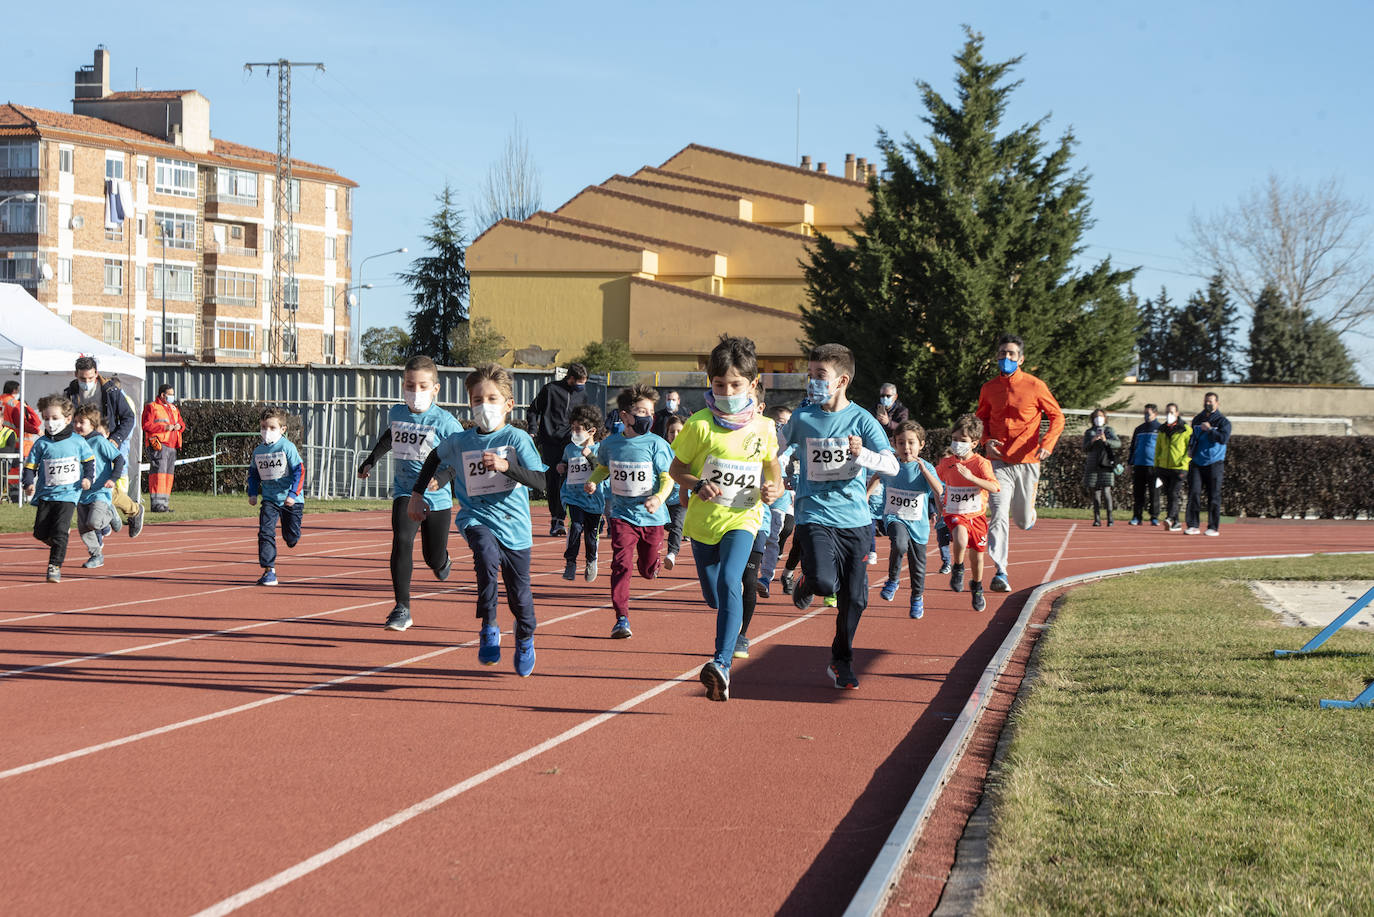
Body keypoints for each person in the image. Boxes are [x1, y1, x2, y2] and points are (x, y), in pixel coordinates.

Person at [414, 363, 547, 677]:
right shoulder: (462, 441)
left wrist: (505, 466)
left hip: (514, 525)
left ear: (508, 404)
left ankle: (525, 635)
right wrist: (417, 494)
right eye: (477, 400)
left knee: (520, 595)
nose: (483, 406)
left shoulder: (517, 439)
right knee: (485, 556)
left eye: (491, 399)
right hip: (476, 516)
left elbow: (541, 483)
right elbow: (434, 457)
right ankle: (489, 626)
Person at [669, 336, 781, 701]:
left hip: (743, 518)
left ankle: (721, 663)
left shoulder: (764, 427)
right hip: (703, 525)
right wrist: (697, 484)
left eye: (735, 385)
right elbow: (676, 469)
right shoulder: (700, 425)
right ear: (710, 384)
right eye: (720, 385)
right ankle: (726, 633)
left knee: (734, 579)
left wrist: (774, 488)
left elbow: (772, 468)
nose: (727, 391)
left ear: (752, 384)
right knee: (716, 595)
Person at [785, 343, 898, 690]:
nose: (812, 382)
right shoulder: (802, 418)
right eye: (810, 375)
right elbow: (774, 451)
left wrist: (862, 454)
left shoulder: (862, 420)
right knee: (822, 582)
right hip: (813, 514)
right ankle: (805, 581)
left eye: (820, 376)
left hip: (855, 520)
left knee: (856, 599)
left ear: (841, 380)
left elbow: (891, 465)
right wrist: (770, 480)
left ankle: (842, 659)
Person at [357, 355, 463, 632]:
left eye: (422, 386)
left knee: (432, 557)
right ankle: (402, 607)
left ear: (435, 389)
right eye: (409, 385)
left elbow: (461, 457)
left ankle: (443, 561)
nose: (415, 392)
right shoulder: (397, 413)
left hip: (436, 498)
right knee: (402, 540)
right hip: (405, 490)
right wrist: (371, 460)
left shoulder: (446, 422)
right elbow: (389, 437)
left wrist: (443, 477)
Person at [585, 382, 675, 640]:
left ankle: (652, 564)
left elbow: (668, 478)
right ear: (625, 416)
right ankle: (621, 617)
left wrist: (658, 499)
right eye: (641, 412)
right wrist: (593, 479)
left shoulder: (657, 445)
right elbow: (604, 467)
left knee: (646, 569)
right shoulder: (611, 444)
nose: (647, 417)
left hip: (652, 517)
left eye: (650, 412)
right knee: (621, 565)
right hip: (622, 515)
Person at [976, 334, 1064, 593]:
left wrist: (1047, 444)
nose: (1006, 358)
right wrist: (985, 440)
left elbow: (1057, 416)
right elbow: (980, 419)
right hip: (998, 461)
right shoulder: (989, 388)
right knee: (998, 513)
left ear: (1021, 359)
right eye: (1002, 353)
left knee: (1023, 521)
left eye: (1011, 354)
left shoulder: (1035, 386)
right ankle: (1000, 570)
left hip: (1027, 461)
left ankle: (1029, 515)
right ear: (996, 357)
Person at [22, 395, 95, 583]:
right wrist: (28, 483)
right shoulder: (41, 443)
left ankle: (55, 566)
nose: (50, 422)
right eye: (46, 418)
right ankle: (58, 542)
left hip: (69, 494)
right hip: (46, 494)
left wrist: (87, 478)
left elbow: (89, 462)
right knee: (39, 532)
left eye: (55, 418)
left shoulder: (78, 441)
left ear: (67, 419)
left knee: (61, 531)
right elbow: (30, 466)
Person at [877, 420, 943, 619]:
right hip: (894, 517)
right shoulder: (891, 464)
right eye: (901, 443)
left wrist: (923, 471)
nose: (906, 447)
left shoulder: (927, 467)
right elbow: (877, 477)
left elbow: (939, 490)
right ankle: (893, 580)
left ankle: (916, 598)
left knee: (918, 567)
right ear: (894, 444)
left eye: (911, 443)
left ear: (921, 445)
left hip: (918, 524)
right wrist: (865, 497)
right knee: (898, 543)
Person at [937, 414, 1001, 612]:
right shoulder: (947, 462)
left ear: (974, 443)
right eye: (954, 439)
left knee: (978, 558)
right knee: (960, 537)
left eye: (962, 441)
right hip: (955, 513)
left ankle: (977, 586)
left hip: (976, 515)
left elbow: (994, 487)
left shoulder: (981, 463)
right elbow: (933, 477)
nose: (957, 444)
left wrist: (972, 478)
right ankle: (957, 568)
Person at [528, 363, 588, 536]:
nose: (581, 387)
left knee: (571, 479)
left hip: (571, 442)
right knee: (554, 480)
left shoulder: (582, 394)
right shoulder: (550, 390)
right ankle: (557, 519)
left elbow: (585, 416)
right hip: (550, 443)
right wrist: (532, 430)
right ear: (570, 378)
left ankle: (577, 517)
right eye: (579, 382)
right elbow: (533, 410)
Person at [247, 407, 305, 586]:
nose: (267, 432)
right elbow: (253, 474)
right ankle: (269, 570)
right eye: (264, 427)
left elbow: (300, 471)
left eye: (272, 428)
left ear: (282, 429)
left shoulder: (288, 448)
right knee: (265, 532)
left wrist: (293, 494)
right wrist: (252, 493)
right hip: (270, 499)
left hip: (291, 501)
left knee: (291, 538)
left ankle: (291, 535)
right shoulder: (258, 451)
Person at [72, 405, 127, 569]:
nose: (78, 425)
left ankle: (110, 515)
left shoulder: (99, 441)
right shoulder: (74, 442)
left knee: (94, 522)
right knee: (84, 528)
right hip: (81, 493)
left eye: (82, 422)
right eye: (75, 422)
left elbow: (119, 459)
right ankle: (96, 555)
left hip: (100, 491)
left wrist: (113, 478)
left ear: (93, 424)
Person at [64, 356, 136, 477]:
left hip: (105, 442)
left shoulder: (111, 391)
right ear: (75, 374)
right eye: (82, 378)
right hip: (79, 444)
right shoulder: (69, 394)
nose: (86, 382)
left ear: (96, 373)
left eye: (90, 378)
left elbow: (128, 417)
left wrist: (117, 438)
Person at [558, 403, 606, 582]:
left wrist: (590, 456)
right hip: (573, 496)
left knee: (591, 535)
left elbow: (604, 470)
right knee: (576, 526)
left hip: (594, 500)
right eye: (572, 429)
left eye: (578, 429)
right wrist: (561, 466)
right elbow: (564, 462)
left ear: (591, 431)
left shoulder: (599, 449)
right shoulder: (569, 449)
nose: (574, 433)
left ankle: (591, 560)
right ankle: (570, 562)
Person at [1187, 391, 1231, 536]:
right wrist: (1190, 449)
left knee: (1214, 496)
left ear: (1217, 403)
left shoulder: (1223, 422)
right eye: (1206, 401)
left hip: (1214, 463)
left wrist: (1210, 430)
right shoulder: (1197, 419)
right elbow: (1193, 436)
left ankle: (1213, 527)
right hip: (1197, 462)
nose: (1207, 403)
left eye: (1211, 401)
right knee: (1194, 493)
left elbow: (1223, 439)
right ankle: (1193, 525)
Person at [142, 384, 186, 512]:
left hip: (172, 446)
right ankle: (157, 504)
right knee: (158, 475)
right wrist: (165, 428)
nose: (172, 396)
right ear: (162, 395)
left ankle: (164, 504)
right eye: (170, 394)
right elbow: (146, 425)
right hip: (159, 445)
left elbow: (182, 424)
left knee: (168, 476)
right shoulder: (152, 407)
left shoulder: (173, 408)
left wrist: (179, 426)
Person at [1082, 408, 1122, 527]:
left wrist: (1106, 440)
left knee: (1106, 491)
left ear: (1105, 418)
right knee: (1096, 493)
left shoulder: (1109, 430)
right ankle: (1097, 519)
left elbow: (1118, 444)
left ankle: (1110, 518)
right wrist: (1093, 441)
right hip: (1093, 464)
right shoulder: (1089, 432)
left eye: (1100, 416)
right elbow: (1085, 448)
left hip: (1106, 463)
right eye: (1096, 417)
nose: (1098, 419)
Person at [2, 380, 41, 499]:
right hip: (17, 442)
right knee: (16, 472)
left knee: (6, 471)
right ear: (14, 390)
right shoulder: (14, 404)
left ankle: (10, 495)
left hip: (4, 438)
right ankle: (15, 497)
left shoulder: (2, 401)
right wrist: (37, 431)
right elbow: (23, 424)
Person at [1153, 403, 1190, 532]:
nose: (1169, 415)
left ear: (1177, 413)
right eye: (1167, 412)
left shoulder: (1185, 429)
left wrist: (1183, 462)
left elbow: (1190, 449)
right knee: (1169, 494)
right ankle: (1176, 522)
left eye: (1172, 412)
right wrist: (1156, 465)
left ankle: (1169, 518)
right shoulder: (1162, 429)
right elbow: (1158, 448)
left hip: (1179, 468)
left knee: (1174, 493)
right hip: (1164, 467)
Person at [1128, 404, 1162, 526]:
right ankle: (1137, 517)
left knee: (1154, 493)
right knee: (1138, 493)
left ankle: (1154, 517)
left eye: (1149, 413)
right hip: (1139, 465)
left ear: (1155, 414)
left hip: (1154, 466)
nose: (1146, 416)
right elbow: (1132, 447)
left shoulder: (1160, 428)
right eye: (1145, 413)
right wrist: (1130, 463)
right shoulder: (1139, 429)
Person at [661, 415, 687, 569]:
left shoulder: (690, 451)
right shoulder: (662, 449)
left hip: (679, 498)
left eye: (679, 431)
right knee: (660, 527)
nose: (675, 435)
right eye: (672, 432)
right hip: (662, 498)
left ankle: (672, 553)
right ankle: (653, 557)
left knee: (677, 525)